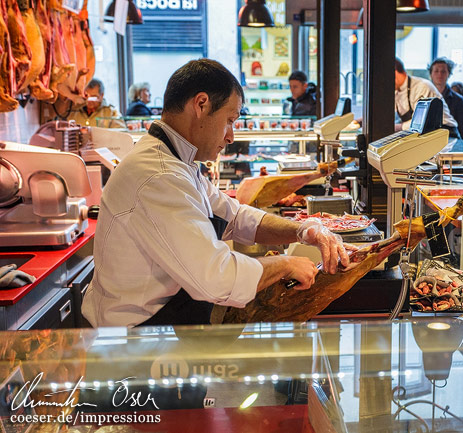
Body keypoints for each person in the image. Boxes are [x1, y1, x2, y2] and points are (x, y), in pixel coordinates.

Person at [82, 59, 352, 328]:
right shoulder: (160, 176)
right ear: (201, 105)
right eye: (229, 120)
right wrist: (285, 264)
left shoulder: (178, 162)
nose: (231, 136)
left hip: (159, 327)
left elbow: (234, 216)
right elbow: (216, 279)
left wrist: (303, 231)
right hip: (133, 344)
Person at [394, 57, 459, 138]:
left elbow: (420, 122)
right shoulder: (396, 91)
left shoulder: (422, 86)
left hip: (445, 133)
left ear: (395, 72)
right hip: (424, 134)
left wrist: (398, 127)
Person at [428, 57, 463, 139]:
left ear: (449, 74)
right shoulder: (424, 96)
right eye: (436, 71)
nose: (440, 74)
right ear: (431, 74)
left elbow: (462, 129)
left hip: (450, 143)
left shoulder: (458, 100)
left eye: (443, 71)